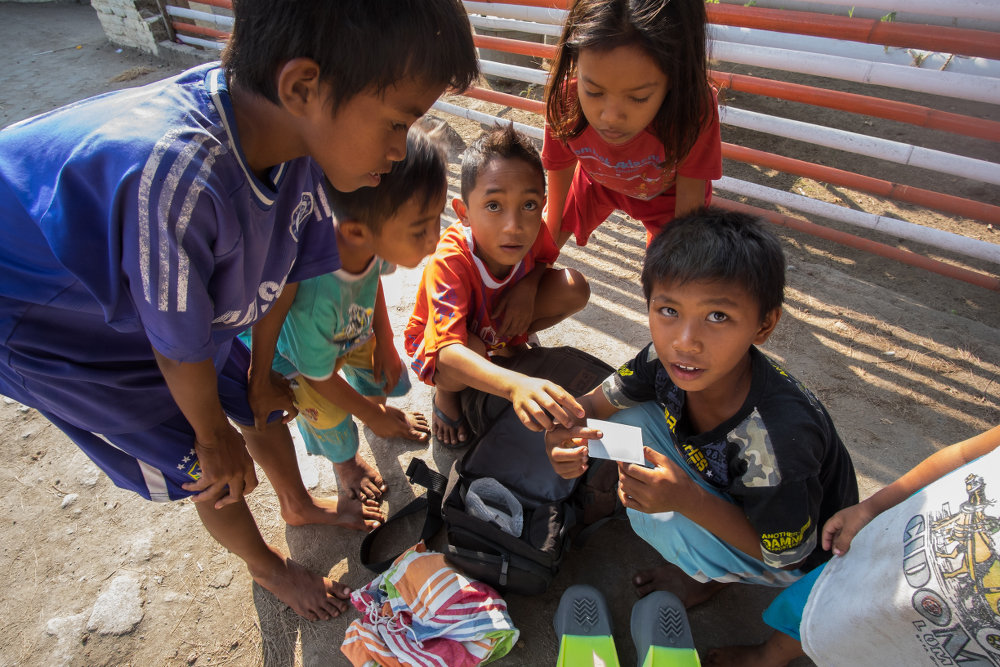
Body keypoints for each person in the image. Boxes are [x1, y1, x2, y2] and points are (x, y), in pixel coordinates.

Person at [0, 0, 478, 622]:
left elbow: (282, 277)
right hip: (46, 317)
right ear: (302, 87)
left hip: (157, 300)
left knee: (260, 399)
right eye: (397, 122)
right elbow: (179, 349)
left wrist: (257, 376)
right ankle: (267, 565)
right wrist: (210, 434)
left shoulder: (297, 143)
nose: (398, 149)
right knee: (207, 465)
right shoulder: (180, 179)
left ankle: (295, 503)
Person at [544, 208, 859, 608]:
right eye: (669, 311)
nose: (685, 341)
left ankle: (712, 573)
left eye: (717, 316)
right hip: (723, 482)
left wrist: (687, 500)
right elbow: (592, 405)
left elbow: (788, 556)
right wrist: (562, 436)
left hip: (790, 549)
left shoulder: (776, 444)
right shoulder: (663, 361)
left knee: (667, 522)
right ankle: (694, 525)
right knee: (621, 414)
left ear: (764, 325)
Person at [704, 423, 1000, 667]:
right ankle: (770, 655)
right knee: (824, 611)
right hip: (896, 555)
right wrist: (872, 507)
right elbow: (963, 455)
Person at [262, 127, 445, 503]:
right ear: (358, 232)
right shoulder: (315, 297)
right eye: (420, 229)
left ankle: (374, 409)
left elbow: (372, 279)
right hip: (302, 361)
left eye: (436, 219)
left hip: (350, 326)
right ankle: (346, 462)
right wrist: (370, 416)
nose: (435, 240)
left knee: (377, 375)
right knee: (330, 417)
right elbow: (319, 375)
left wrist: (386, 341)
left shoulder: (364, 237)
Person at [404, 123, 591, 447]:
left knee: (575, 287)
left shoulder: (533, 230)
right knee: (469, 351)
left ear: (542, 203)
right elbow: (447, 351)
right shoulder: (450, 259)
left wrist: (528, 288)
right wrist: (514, 385)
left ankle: (506, 343)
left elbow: (545, 258)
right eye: (493, 206)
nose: (513, 226)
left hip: (496, 316)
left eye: (529, 205)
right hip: (442, 343)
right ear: (463, 213)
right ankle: (446, 395)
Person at [542, 0, 722, 249]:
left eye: (638, 97)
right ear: (575, 63)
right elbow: (556, 205)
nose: (610, 117)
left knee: (675, 260)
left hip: (665, 195)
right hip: (596, 181)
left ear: (675, 78)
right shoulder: (566, 99)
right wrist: (544, 250)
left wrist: (676, 258)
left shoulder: (693, 107)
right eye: (593, 91)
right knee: (541, 246)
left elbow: (685, 223)